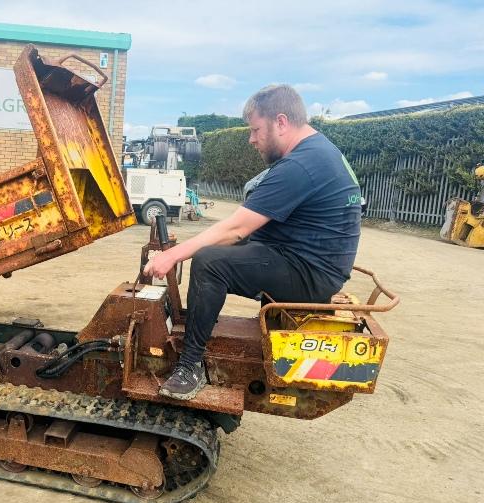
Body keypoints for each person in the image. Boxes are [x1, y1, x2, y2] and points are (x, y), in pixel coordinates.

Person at [143, 84, 362, 400]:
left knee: (209, 262)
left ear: (281, 122)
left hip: (310, 275)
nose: (252, 139)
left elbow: (236, 227)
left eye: (256, 129)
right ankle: (204, 316)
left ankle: (190, 365)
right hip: (304, 258)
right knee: (217, 250)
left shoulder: (301, 165)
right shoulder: (318, 151)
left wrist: (172, 255)